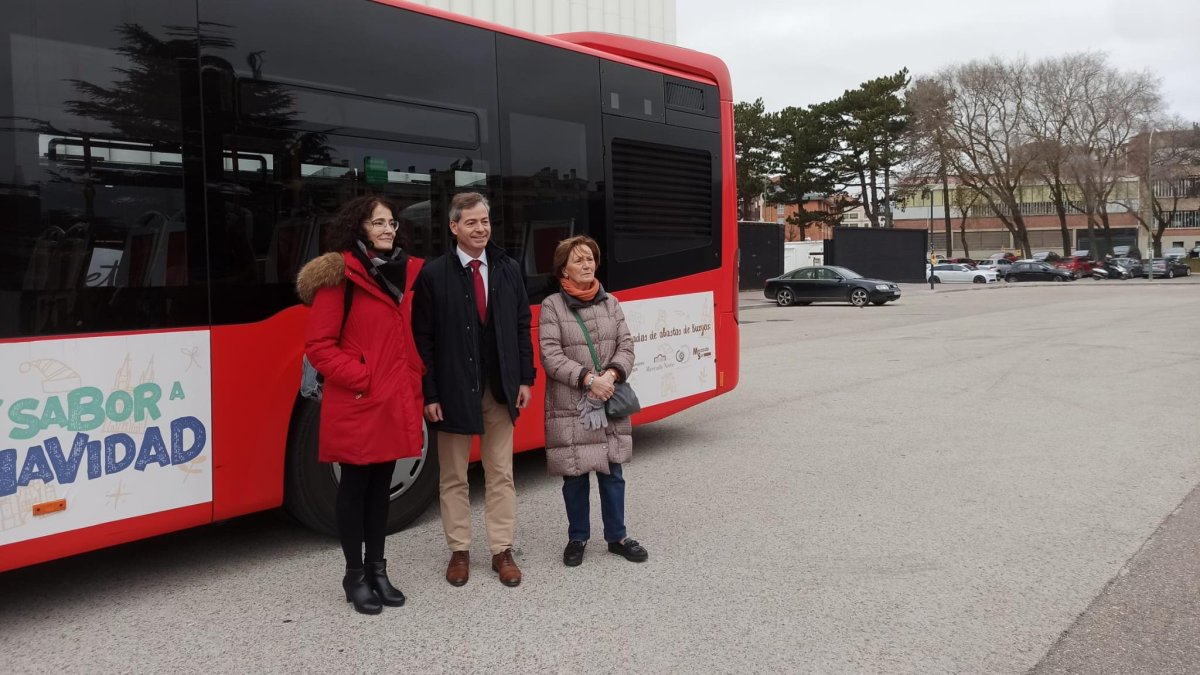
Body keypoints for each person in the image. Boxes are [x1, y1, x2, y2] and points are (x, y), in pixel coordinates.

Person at [296, 195, 424, 615]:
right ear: (360, 229)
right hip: (358, 400)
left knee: (380, 490)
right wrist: (364, 377)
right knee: (354, 489)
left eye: (391, 222)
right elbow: (319, 346)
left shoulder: (403, 273)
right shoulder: (341, 277)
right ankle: (354, 575)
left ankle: (378, 569)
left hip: (390, 400)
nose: (388, 229)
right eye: (377, 223)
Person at [411, 192, 535, 587]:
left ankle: (502, 550)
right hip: (451, 392)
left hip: (500, 388)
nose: (480, 228)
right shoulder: (433, 275)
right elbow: (423, 340)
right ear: (453, 227)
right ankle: (459, 550)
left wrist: (525, 378)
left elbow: (520, 326)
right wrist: (429, 393)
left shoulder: (507, 268)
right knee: (453, 477)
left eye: (485, 221)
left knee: (501, 472)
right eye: (471, 222)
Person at [537, 235, 648, 567]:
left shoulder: (610, 303)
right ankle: (577, 537)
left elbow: (626, 346)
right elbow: (550, 355)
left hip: (608, 397)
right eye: (579, 260)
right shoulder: (551, 306)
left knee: (612, 470)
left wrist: (612, 375)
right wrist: (588, 379)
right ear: (563, 269)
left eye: (590, 259)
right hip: (571, 404)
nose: (587, 265)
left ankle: (617, 536)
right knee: (574, 473)